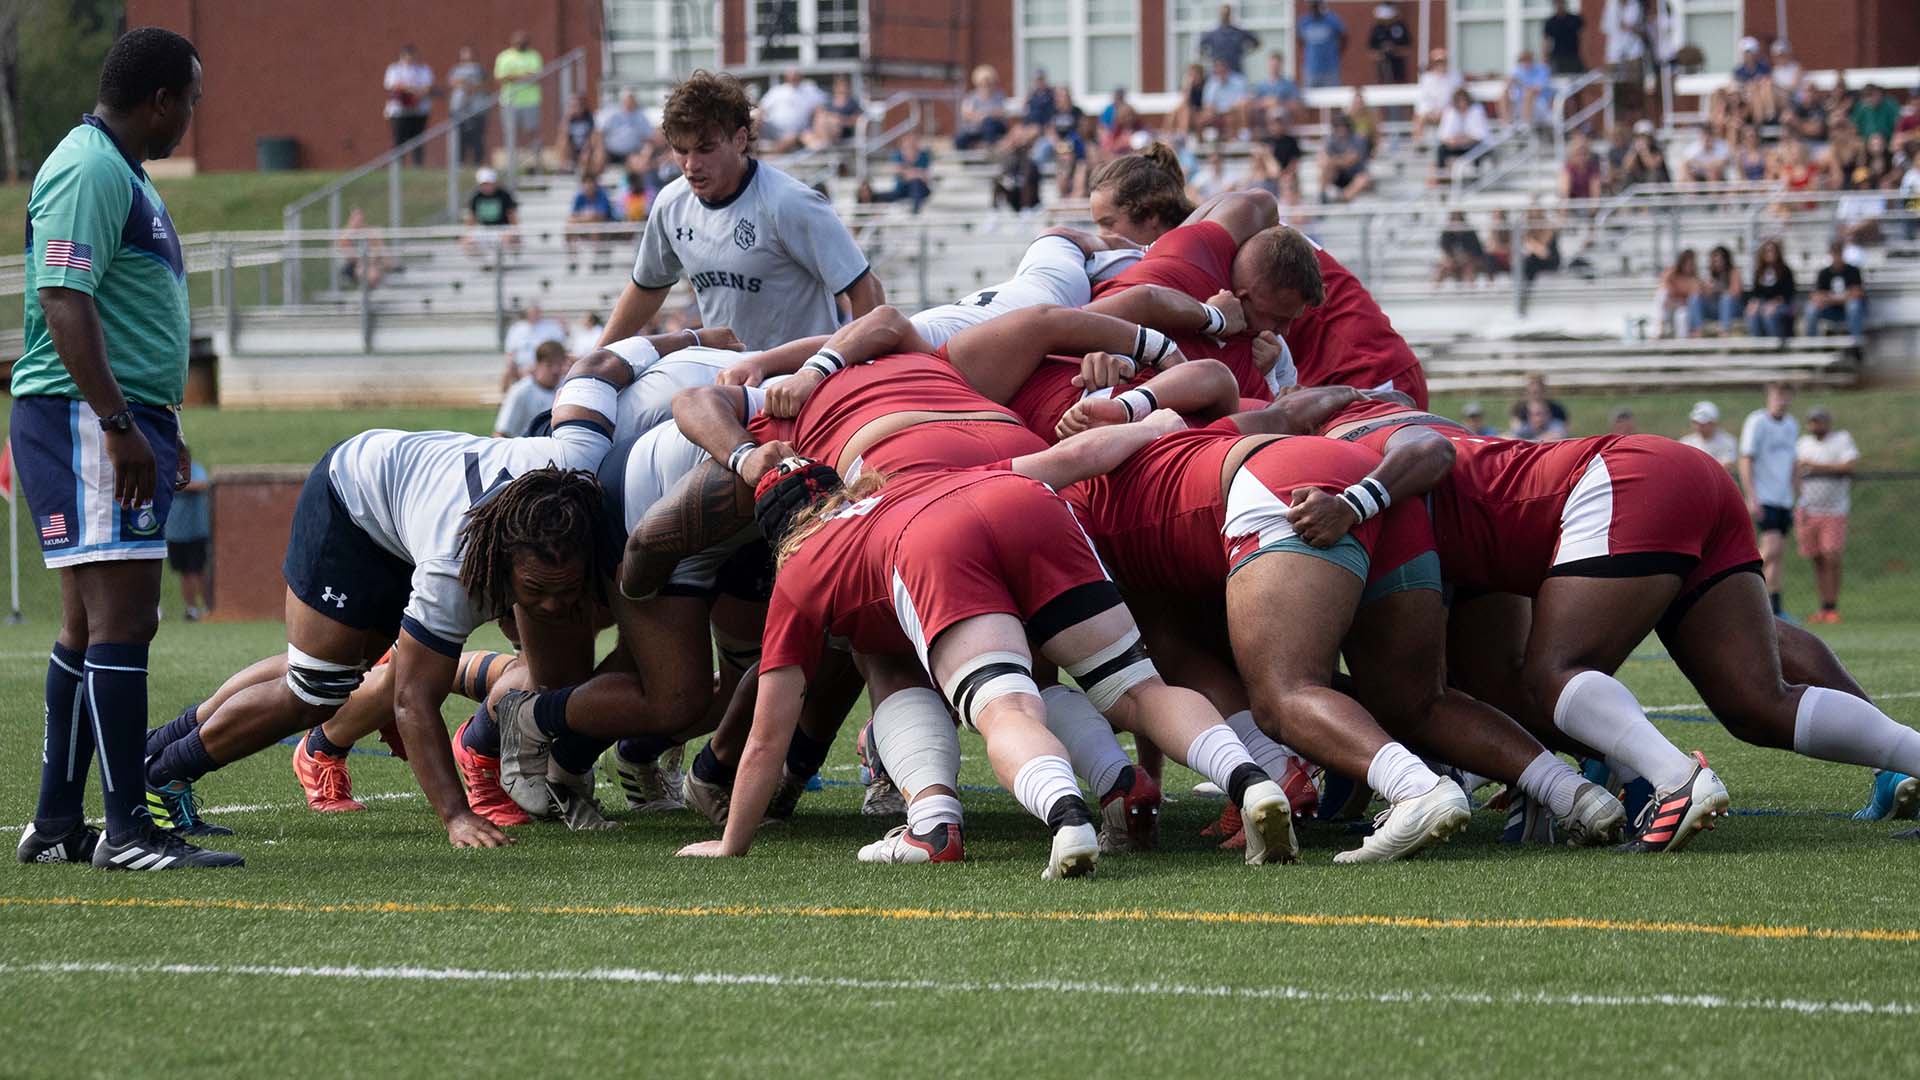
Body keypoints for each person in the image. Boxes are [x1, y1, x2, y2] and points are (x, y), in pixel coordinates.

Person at [141, 335, 708, 849]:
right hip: (353, 502)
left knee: (343, 667)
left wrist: (694, 337)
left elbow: (595, 368)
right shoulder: (452, 569)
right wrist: (455, 816)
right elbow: (413, 699)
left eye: (566, 589)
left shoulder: (576, 467)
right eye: (536, 590)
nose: (556, 607)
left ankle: (156, 743)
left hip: (410, 505)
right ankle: (162, 774)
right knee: (316, 691)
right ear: (502, 566)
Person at [11, 27, 219, 870]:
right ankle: (129, 829)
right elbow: (63, 297)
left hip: (119, 417)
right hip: (85, 417)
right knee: (125, 620)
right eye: (191, 103)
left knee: (87, 624)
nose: (191, 120)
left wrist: (156, 423)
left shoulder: (120, 170)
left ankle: (57, 825)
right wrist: (118, 422)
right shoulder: (90, 166)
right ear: (159, 100)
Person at [600, 71, 884, 352]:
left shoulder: (789, 202)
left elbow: (866, 289)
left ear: (739, 139)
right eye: (681, 150)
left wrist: (857, 373)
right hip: (728, 377)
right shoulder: (670, 204)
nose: (691, 164)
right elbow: (647, 289)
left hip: (799, 380)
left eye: (705, 149)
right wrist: (592, 363)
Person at [1740, 381, 1798, 616]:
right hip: (1765, 496)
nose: (1781, 400)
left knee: (1778, 555)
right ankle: (1738, 587)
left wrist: (1798, 496)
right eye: (1777, 395)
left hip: (1784, 499)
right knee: (1769, 550)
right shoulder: (1757, 422)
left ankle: (1774, 608)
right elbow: (1746, 459)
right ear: (1768, 397)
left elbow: (1793, 463)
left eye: (1785, 395)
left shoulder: (1791, 424)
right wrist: (1751, 496)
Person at [1794, 406, 1857, 624]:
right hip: (1808, 509)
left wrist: (1814, 467)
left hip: (1834, 509)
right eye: (1812, 422)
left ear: (1828, 423)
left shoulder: (1841, 440)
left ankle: (1833, 606)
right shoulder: (1802, 443)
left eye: (1819, 421)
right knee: (1817, 558)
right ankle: (1824, 607)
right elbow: (1793, 471)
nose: (1815, 426)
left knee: (1832, 556)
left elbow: (1848, 466)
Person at [166, 458, 210, 621]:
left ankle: (207, 608)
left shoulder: (195, 469)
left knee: (199, 571)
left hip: (195, 530)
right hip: (174, 531)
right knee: (183, 573)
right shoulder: (166, 468)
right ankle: (191, 609)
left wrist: (177, 485)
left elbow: (202, 484)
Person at [494, 340, 566, 437]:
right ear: (537, 365)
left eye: (559, 364)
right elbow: (501, 433)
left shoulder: (567, 389)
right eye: (549, 365)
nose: (555, 370)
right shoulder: (521, 391)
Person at [493, 30, 543, 158]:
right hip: (509, 101)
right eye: (518, 41)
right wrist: (524, 76)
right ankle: (512, 161)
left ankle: (534, 161)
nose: (521, 44)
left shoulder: (534, 56)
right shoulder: (504, 57)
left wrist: (513, 76)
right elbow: (500, 77)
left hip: (531, 101)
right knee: (510, 132)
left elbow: (538, 76)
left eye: (523, 41)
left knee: (532, 131)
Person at [1804, 241, 1867, 341]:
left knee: (1853, 306)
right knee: (1811, 308)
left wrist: (1830, 297)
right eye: (1834, 252)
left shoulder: (1853, 271)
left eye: (1838, 252)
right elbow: (1817, 295)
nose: (1836, 255)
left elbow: (1858, 293)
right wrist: (1844, 296)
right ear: (1830, 254)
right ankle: (1811, 344)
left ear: (1842, 253)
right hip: (1831, 310)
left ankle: (1856, 343)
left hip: (1848, 311)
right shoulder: (1824, 273)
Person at [382, 44, 433, 165]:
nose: (410, 59)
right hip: (399, 111)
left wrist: (418, 94)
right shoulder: (394, 69)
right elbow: (394, 85)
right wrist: (413, 91)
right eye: (408, 56)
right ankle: (399, 166)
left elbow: (428, 86)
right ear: (402, 56)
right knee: (399, 140)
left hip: (419, 111)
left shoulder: (423, 69)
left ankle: (418, 166)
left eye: (413, 56)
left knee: (418, 141)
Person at [757, 67, 826, 153]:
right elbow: (761, 108)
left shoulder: (809, 90)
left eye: (795, 75)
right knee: (755, 116)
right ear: (786, 77)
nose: (793, 77)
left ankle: (823, 154)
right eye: (791, 75)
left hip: (802, 134)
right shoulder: (777, 91)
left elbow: (820, 109)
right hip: (775, 133)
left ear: (800, 76)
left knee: (815, 137)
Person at [501, 303, 565, 389]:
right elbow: (510, 351)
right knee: (507, 372)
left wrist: (535, 367)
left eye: (536, 312)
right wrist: (511, 365)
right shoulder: (517, 328)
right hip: (520, 366)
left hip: (542, 365)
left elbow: (558, 349)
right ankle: (505, 397)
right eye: (532, 313)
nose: (534, 315)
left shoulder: (550, 327)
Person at [462, 167, 519, 259]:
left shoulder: (504, 195)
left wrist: (515, 231)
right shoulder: (476, 196)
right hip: (485, 228)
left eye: (488, 184)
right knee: (467, 242)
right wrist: (468, 233)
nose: (486, 187)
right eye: (484, 184)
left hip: (503, 228)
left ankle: (500, 261)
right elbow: (471, 216)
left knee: (507, 239)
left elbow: (511, 214)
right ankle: (485, 261)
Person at [1746, 237, 1795, 340]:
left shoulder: (1786, 271)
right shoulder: (1759, 271)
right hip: (1764, 303)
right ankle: (1758, 344)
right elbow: (1756, 294)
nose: (1769, 254)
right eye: (1767, 251)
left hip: (1783, 305)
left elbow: (1788, 294)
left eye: (1772, 251)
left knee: (1769, 314)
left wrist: (1774, 304)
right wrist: (1753, 304)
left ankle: (1773, 343)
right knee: (1753, 314)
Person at [447, 45, 489, 166]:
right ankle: (459, 162)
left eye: (469, 53)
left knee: (477, 136)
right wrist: (465, 84)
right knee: (459, 136)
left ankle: (477, 161)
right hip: (459, 108)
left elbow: (485, 84)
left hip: (477, 108)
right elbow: (453, 82)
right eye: (464, 53)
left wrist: (471, 86)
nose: (467, 56)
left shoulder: (480, 69)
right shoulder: (456, 69)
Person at [1434, 88, 1490, 178]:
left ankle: (1476, 175)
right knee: (1441, 149)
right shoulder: (1450, 112)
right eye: (1459, 100)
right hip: (1457, 146)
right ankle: (1442, 177)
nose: (1462, 103)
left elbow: (1480, 135)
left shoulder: (1476, 110)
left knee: (1478, 149)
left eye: (1464, 100)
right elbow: (1442, 136)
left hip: (1473, 147)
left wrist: (1464, 140)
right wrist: (1453, 141)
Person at [1688, 245, 1741, 336]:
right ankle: (1698, 331)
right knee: (1694, 297)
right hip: (1715, 310)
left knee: (1726, 298)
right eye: (1714, 260)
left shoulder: (1733, 272)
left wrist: (1720, 288)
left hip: (1732, 309)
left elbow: (1736, 292)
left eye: (1719, 260)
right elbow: (1704, 295)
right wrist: (1707, 290)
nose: (1716, 263)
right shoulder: (1710, 274)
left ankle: (1725, 331)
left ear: (1725, 260)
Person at [1319, 112, 1372, 202]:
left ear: (1348, 126)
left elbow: (1350, 161)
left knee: (1363, 179)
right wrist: (1341, 159)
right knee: (1324, 167)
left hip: (1354, 175)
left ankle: (1343, 199)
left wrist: (1334, 160)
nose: (1340, 128)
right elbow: (1323, 160)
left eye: (1342, 125)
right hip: (1338, 176)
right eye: (1337, 126)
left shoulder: (1358, 139)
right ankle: (1322, 197)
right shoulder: (1332, 140)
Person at [954, 65, 1007, 150]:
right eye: (983, 83)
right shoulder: (971, 97)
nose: (986, 86)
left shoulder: (999, 96)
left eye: (989, 83)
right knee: (960, 139)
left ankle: (991, 149)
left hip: (995, 127)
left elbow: (1002, 112)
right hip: (976, 128)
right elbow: (966, 114)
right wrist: (981, 117)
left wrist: (985, 115)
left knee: (989, 123)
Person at [1297, 1, 1347, 90]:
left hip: (1330, 69)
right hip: (1311, 69)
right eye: (1313, 7)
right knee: (1309, 99)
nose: (1315, 10)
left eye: (1316, 7)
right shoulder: (1304, 22)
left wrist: (1337, 52)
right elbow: (1300, 40)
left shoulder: (1332, 20)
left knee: (1332, 98)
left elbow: (1344, 37)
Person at [804, 75, 863, 150]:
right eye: (839, 86)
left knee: (828, 119)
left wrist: (839, 119)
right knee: (807, 133)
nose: (841, 89)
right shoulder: (829, 102)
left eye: (843, 86)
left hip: (842, 132)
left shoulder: (852, 103)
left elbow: (856, 121)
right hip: (825, 129)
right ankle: (821, 144)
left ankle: (821, 145)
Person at [1200, 3, 1261, 74]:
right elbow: (1200, 47)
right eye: (1223, 14)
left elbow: (1257, 43)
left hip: (1235, 71)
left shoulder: (1239, 32)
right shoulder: (1213, 34)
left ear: (1230, 15)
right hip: (1218, 74)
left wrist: (1244, 53)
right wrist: (1211, 58)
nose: (1224, 16)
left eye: (1227, 13)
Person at [598, 89, 654, 164]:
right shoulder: (612, 115)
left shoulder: (641, 117)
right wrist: (600, 150)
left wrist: (644, 155)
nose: (629, 102)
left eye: (632, 100)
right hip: (610, 153)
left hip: (632, 154)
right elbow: (600, 134)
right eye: (627, 100)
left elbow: (648, 138)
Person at [1200, 57, 1252, 138]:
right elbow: (1208, 103)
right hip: (1217, 112)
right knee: (1205, 115)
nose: (1220, 71)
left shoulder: (1239, 80)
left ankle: (1243, 134)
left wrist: (1231, 108)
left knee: (1241, 108)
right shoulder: (1211, 84)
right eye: (1218, 69)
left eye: (1222, 68)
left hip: (1235, 110)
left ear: (1227, 69)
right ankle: (1209, 138)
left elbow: (1245, 99)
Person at [1414, 50, 1460, 140]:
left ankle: (1446, 142)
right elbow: (1425, 98)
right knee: (1420, 116)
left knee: (1450, 115)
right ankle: (1419, 143)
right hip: (1431, 111)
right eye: (1437, 62)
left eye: (1442, 61)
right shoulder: (1427, 78)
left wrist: (1443, 110)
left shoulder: (1455, 77)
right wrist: (1431, 112)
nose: (1440, 64)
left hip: (1450, 110)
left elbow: (1457, 97)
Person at [1655, 248, 1702, 338]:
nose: (1689, 266)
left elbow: (1693, 298)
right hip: (1669, 303)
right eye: (1687, 263)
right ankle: (1660, 330)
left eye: (1691, 263)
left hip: (1683, 306)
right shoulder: (1671, 273)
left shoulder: (1694, 279)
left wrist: (1679, 303)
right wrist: (1672, 301)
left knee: (1682, 314)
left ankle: (1682, 341)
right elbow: (1664, 290)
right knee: (1661, 295)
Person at [1680, 400, 1738, 471]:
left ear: (1713, 423)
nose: (1698, 426)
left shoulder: (1728, 441)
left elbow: (1727, 465)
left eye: (1703, 424)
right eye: (1695, 422)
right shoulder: (1685, 442)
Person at [1506, 50, 1554, 127]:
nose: (1524, 63)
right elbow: (1508, 85)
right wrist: (1510, 83)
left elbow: (1538, 88)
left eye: (1526, 60)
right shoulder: (1518, 70)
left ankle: (1525, 124)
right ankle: (1506, 124)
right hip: (1521, 103)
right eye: (1522, 61)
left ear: (1531, 59)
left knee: (1529, 93)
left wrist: (1522, 84)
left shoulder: (1542, 69)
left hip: (1540, 103)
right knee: (1503, 94)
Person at [1434, 210, 1485, 283]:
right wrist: (1452, 260)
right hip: (1453, 262)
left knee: (1470, 268)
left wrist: (1465, 258)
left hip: (1469, 262)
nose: (1457, 222)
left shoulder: (1471, 233)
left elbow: (1477, 252)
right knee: (1441, 270)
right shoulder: (1446, 234)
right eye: (1454, 219)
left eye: (1458, 219)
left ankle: (1470, 292)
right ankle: (1435, 292)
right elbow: (1445, 252)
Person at [1251, 51, 1299, 125]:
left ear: (1281, 65)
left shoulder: (1289, 84)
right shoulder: (1261, 85)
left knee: (1277, 114)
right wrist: (1265, 103)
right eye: (1272, 64)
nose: (1274, 67)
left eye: (1276, 65)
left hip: (1283, 116)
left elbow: (1295, 104)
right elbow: (1254, 104)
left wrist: (1278, 102)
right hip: (1264, 118)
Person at [1368, 3, 1411, 84]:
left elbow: (1408, 48)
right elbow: (1371, 51)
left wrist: (1395, 50)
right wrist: (1381, 53)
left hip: (1398, 70)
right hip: (1382, 71)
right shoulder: (1377, 29)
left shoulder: (1400, 27)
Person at [555, 93, 598, 174]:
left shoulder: (589, 117)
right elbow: (562, 132)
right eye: (573, 105)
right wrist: (567, 118)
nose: (576, 107)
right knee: (562, 140)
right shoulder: (568, 118)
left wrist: (586, 149)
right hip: (572, 149)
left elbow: (593, 136)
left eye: (578, 105)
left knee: (593, 147)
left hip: (586, 148)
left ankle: (586, 173)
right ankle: (563, 166)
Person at [1560, 132, 1605, 202]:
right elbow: (1565, 193)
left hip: (1589, 203)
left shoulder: (1593, 168)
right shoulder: (1568, 168)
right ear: (1572, 154)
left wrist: (1592, 210)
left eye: (1584, 153)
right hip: (1573, 204)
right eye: (1578, 154)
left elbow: (1595, 193)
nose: (1581, 157)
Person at [1542, 0, 1584, 75]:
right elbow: (1547, 41)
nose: (1559, 5)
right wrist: (1545, 58)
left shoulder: (1575, 19)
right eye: (1557, 3)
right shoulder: (1551, 22)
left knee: (1576, 78)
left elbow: (1583, 37)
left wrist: (1584, 53)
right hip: (1557, 56)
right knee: (1559, 80)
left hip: (1574, 55)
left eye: (1561, 3)